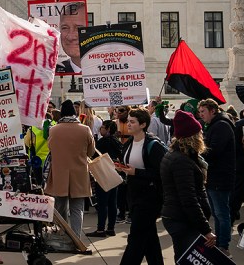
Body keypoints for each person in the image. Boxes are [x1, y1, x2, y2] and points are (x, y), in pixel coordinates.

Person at [161, 110, 216, 261]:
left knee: (183, 257)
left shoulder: (180, 155)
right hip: (182, 219)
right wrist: (206, 230)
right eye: (199, 133)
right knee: (186, 258)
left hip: (178, 216)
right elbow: (189, 198)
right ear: (192, 137)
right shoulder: (181, 160)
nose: (202, 136)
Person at [116, 107, 167, 265]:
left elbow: (161, 173)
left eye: (132, 122)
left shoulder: (154, 145)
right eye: (128, 121)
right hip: (133, 195)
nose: (128, 124)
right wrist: (120, 167)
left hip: (149, 197)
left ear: (143, 124)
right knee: (149, 237)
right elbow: (129, 167)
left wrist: (136, 172)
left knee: (136, 237)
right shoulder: (129, 143)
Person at [44, 100, 95, 239]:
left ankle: (63, 234)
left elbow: (50, 148)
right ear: (74, 113)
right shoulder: (85, 129)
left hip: (59, 173)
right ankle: (76, 237)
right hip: (79, 173)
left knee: (60, 208)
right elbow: (91, 152)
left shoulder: (54, 130)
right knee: (77, 208)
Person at [198, 98, 236, 255]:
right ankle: (220, 242)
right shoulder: (216, 125)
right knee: (217, 213)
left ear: (213, 110)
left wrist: (198, 151)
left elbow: (214, 151)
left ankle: (223, 245)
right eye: (199, 112)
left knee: (221, 213)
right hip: (215, 175)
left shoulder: (221, 126)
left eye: (203, 111)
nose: (201, 115)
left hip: (221, 176)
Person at [86, 120, 122, 238]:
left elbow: (92, 154)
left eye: (102, 128)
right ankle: (111, 228)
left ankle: (100, 229)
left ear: (107, 129)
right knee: (113, 202)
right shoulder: (117, 142)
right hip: (114, 174)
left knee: (103, 203)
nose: (100, 129)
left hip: (103, 174)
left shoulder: (102, 143)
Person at [56, 1, 86, 74]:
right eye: (65, 28)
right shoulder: (53, 71)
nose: (70, 37)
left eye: (78, 28)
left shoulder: (110, 69)